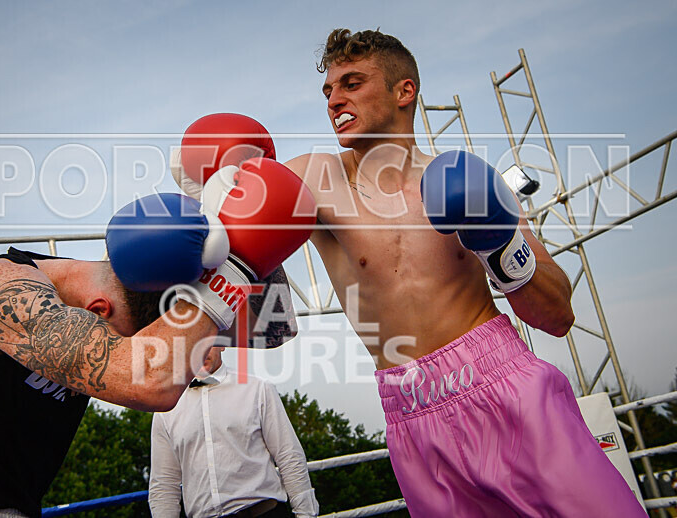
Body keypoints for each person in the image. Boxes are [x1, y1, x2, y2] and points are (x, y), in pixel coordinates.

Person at [271, 29, 645, 517]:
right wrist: (211, 182)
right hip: (411, 416)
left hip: (504, 384)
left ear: (404, 91)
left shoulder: (465, 178)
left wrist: (500, 242)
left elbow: (557, 315)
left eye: (352, 83)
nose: (334, 100)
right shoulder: (316, 178)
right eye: (328, 90)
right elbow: (233, 217)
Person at [0, 181, 312, 517]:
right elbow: (150, 380)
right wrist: (231, 272)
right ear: (98, 311)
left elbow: (267, 330)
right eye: (134, 340)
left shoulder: (115, 303)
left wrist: (228, 222)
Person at [149, 346, 319, 518]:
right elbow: (163, 483)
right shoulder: (166, 408)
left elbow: (289, 455)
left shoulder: (258, 388)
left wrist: (306, 514)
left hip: (263, 513)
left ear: (223, 344)